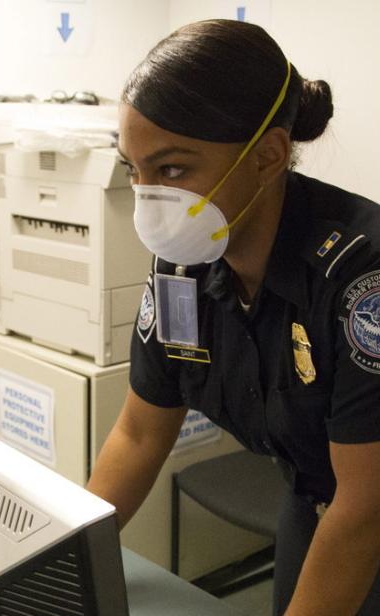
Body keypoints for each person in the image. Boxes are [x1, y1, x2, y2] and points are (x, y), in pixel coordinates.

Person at [86, 18, 380, 616]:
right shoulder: (182, 267)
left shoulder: (360, 278)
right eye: (133, 171)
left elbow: (366, 504)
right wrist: (56, 559)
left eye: (172, 170)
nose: (149, 200)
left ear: (269, 154)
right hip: (318, 497)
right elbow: (140, 433)